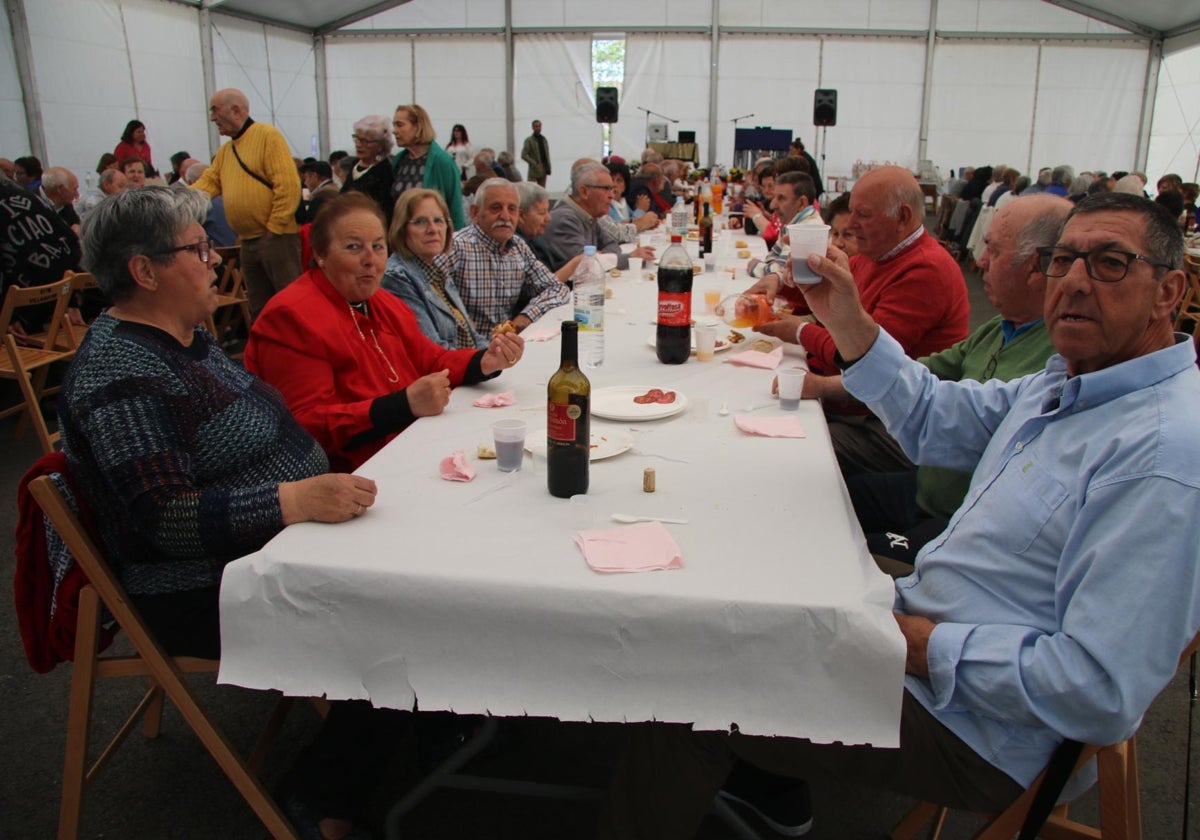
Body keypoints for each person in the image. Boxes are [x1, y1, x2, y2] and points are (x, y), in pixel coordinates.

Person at [599, 190, 1200, 840]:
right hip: (921, 622)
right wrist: (848, 321)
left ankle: (731, 768)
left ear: (1170, 291)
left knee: (686, 688)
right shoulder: (1068, 382)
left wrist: (916, 644)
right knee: (750, 562)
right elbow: (935, 420)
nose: (1076, 283)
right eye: (1064, 261)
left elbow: (1098, 691)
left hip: (976, 727)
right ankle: (768, 785)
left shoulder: (1161, 456)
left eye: (1109, 263)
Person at [836, 195, 1070, 563]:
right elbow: (928, 391)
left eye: (992, 249)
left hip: (958, 517)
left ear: (1039, 268)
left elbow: (933, 408)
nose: (979, 261)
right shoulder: (1001, 326)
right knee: (827, 500)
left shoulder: (1062, 362)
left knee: (847, 549)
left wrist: (830, 360)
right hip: (925, 488)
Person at [244, 192, 524, 472]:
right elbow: (307, 424)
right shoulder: (291, 316)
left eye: (378, 246)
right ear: (320, 254)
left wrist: (484, 362)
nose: (371, 260)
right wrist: (404, 405)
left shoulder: (382, 303)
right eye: (354, 247)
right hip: (353, 471)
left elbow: (431, 359)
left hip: (408, 445)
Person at [754, 166, 970, 476]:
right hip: (860, 406)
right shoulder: (877, 254)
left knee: (787, 452)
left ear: (903, 217)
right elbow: (822, 291)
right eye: (852, 212)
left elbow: (862, 357)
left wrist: (800, 332)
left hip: (888, 425)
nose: (851, 226)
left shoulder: (926, 271)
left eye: (863, 215)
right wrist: (780, 281)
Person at [191, 88, 303, 318]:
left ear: (236, 110)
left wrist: (275, 227)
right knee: (259, 307)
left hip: (276, 239)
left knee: (291, 303)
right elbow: (208, 183)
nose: (212, 117)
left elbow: (288, 185)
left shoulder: (267, 135)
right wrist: (175, 201)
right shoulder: (226, 151)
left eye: (215, 109)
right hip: (249, 242)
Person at [450, 178, 571, 335]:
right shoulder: (456, 247)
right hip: (468, 351)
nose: (505, 216)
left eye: (512, 209)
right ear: (475, 213)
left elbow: (557, 288)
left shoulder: (517, 246)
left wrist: (527, 315)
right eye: (496, 208)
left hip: (508, 347)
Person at [380, 188, 487, 351]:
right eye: (420, 222)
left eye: (439, 220)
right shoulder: (396, 277)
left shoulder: (437, 272)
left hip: (468, 369)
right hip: (447, 374)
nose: (433, 229)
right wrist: (484, 363)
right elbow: (433, 350)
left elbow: (474, 337)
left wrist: (500, 353)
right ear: (402, 229)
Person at [541, 162, 655, 271]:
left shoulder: (589, 215)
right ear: (584, 192)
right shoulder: (564, 219)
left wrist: (601, 258)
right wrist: (631, 257)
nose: (611, 195)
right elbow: (586, 266)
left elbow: (612, 244)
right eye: (606, 189)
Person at [390, 104, 467, 231]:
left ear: (418, 127)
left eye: (399, 125)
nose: (394, 130)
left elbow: (455, 208)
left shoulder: (443, 162)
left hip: (432, 238)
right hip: (402, 241)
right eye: (394, 125)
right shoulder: (399, 161)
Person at [745, 172, 824, 287]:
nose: (773, 205)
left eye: (781, 198)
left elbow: (782, 271)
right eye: (775, 197)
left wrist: (755, 267)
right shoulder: (793, 223)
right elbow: (773, 257)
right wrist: (768, 267)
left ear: (802, 202)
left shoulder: (807, 229)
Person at [515, 180, 582, 284]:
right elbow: (541, 286)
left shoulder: (536, 237)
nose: (549, 218)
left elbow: (552, 267)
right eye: (542, 213)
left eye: (547, 211)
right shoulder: (514, 246)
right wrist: (575, 264)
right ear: (521, 215)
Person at [340, 115, 396, 226]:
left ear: (380, 145)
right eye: (356, 138)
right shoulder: (353, 165)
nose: (358, 144)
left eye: (365, 141)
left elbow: (385, 210)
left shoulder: (386, 171)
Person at [37, 167, 81, 233]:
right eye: (74, 189)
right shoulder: (32, 204)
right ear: (60, 189)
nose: (77, 194)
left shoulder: (65, 203)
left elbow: (75, 224)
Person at [521, 119, 551, 187]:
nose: (538, 128)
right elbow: (523, 155)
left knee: (542, 190)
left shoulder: (543, 139)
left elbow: (547, 155)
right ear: (533, 128)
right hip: (534, 170)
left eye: (539, 126)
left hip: (544, 168)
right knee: (531, 189)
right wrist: (534, 163)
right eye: (536, 126)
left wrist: (548, 167)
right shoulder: (529, 140)